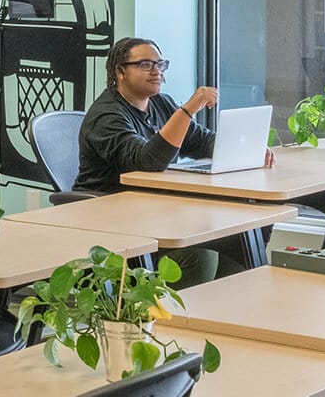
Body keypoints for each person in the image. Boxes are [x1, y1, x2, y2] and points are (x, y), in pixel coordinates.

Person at [74, 37, 232, 284]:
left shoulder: (161, 103)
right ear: (120, 71)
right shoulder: (107, 115)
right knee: (201, 255)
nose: (156, 71)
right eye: (146, 65)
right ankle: (173, 319)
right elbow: (147, 162)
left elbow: (201, 141)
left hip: (156, 211)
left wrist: (243, 149)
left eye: (160, 64)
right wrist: (188, 109)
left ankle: (223, 314)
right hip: (114, 217)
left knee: (237, 236)